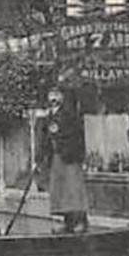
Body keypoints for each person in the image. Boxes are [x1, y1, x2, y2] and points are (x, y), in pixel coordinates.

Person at [37, 87, 90, 233]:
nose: (53, 98)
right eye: (51, 94)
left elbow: (77, 136)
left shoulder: (70, 114)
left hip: (69, 157)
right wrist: (41, 157)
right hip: (56, 158)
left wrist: (75, 153)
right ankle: (68, 222)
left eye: (56, 95)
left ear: (62, 97)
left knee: (73, 190)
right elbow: (45, 139)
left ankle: (81, 221)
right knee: (61, 191)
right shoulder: (48, 117)